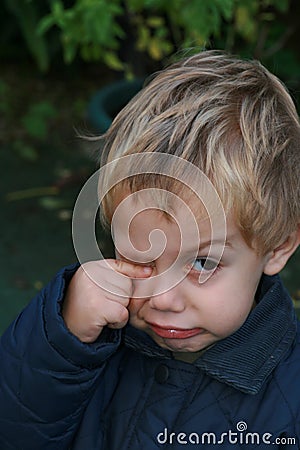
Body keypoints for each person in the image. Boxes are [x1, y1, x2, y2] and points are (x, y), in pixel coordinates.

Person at [1, 50, 300, 449]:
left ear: (279, 245)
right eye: (141, 257)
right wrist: (61, 343)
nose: (162, 298)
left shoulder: (289, 400)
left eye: (202, 262)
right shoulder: (88, 337)